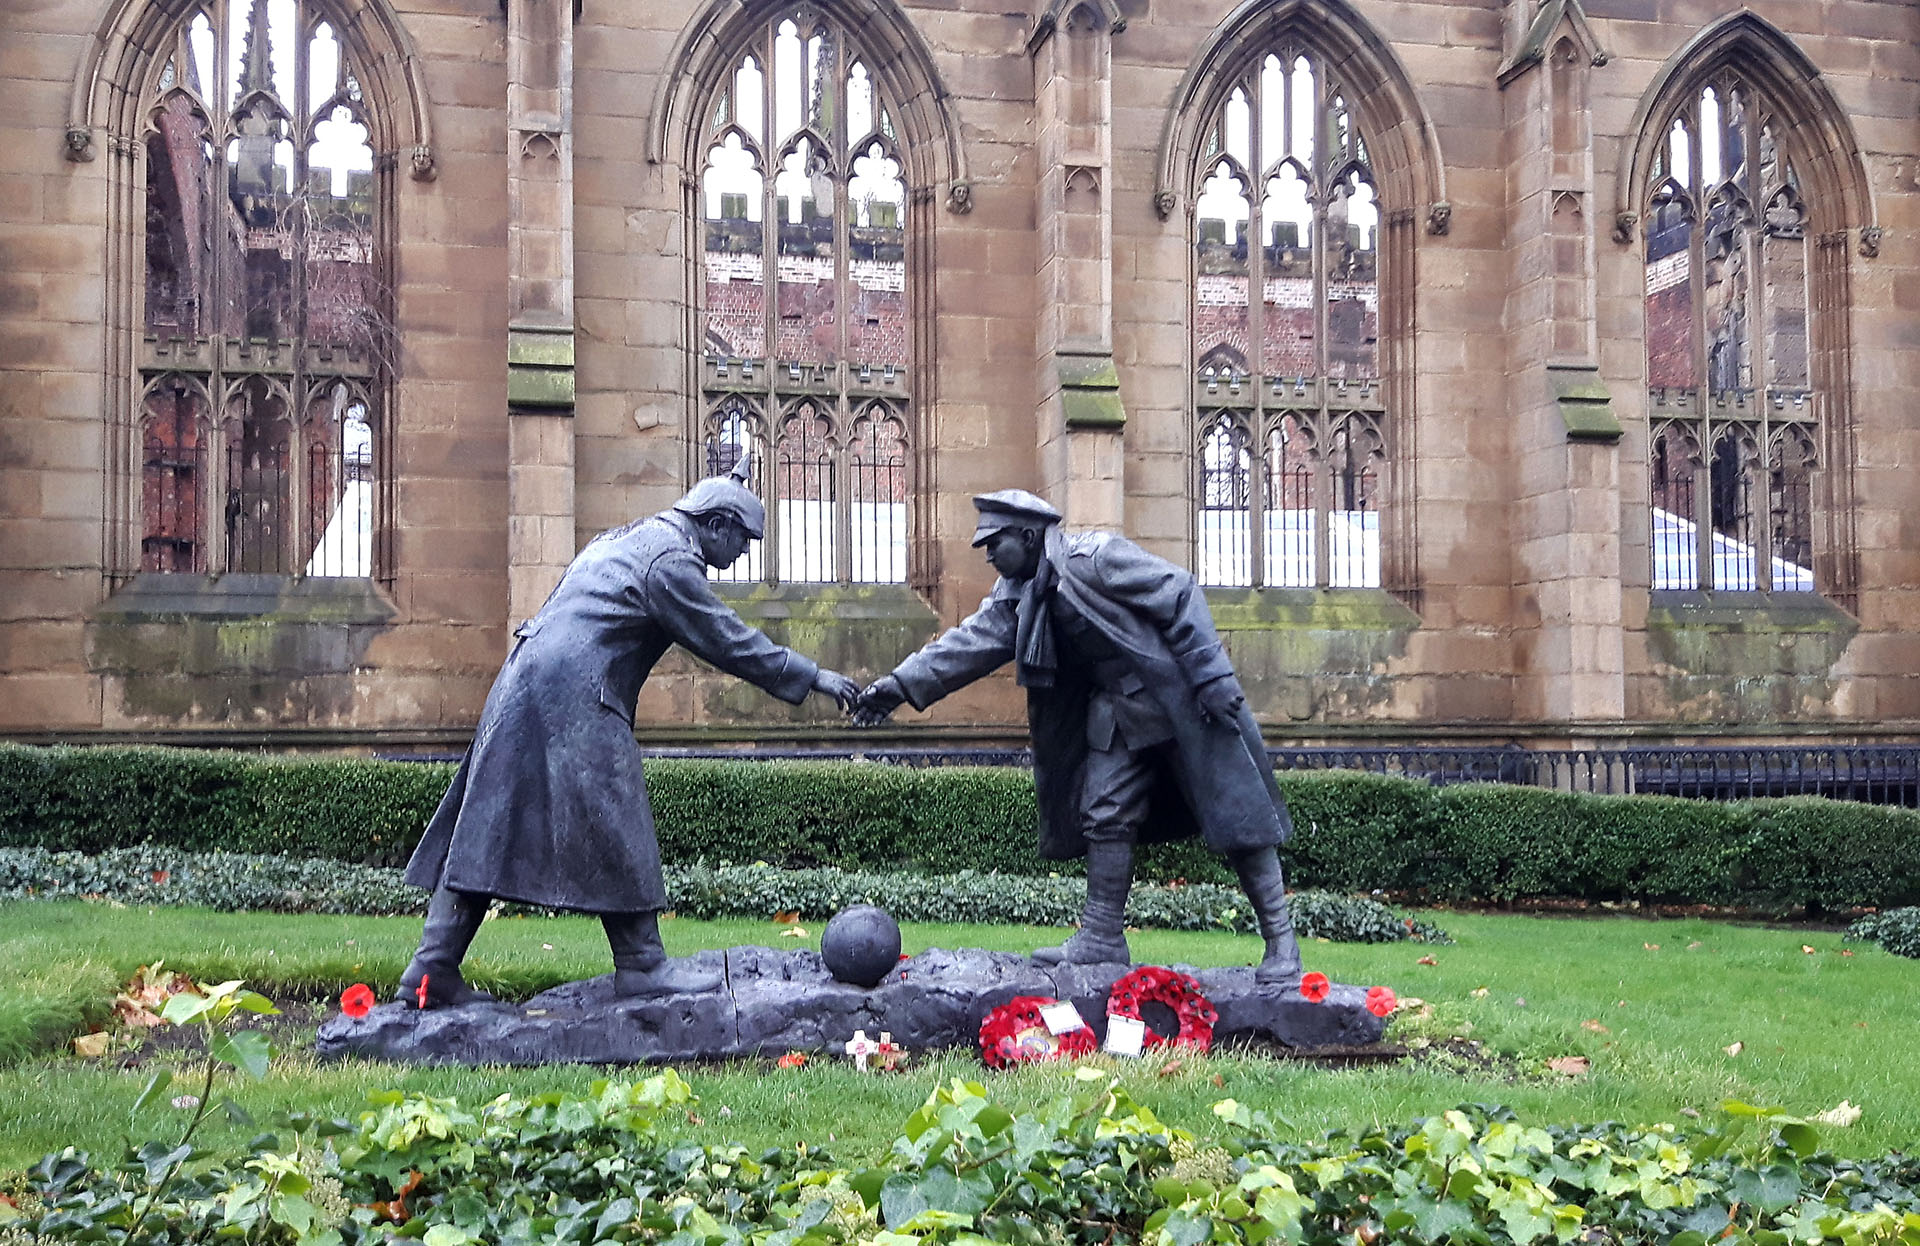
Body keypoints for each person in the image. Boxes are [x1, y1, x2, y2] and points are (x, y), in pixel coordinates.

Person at [398, 461, 859, 1005]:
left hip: (523, 684)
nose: (743, 555)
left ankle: (429, 973)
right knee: (619, 817)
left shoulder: (630, 536)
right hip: (575, 694)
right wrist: (815, 676)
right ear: (714, 524)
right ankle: (641, 964)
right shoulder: (670, 562)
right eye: (743, 539)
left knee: (488, 823)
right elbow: (726, 639)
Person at [853, 490, 1303, 985]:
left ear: (1027, 536)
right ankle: (1103, 936)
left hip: (1179, 700)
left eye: (993, 543)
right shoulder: (1018, 593)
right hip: (1115, 710)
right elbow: (967, 644)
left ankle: (1281, 942)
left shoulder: (1096, 558)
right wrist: (896, 686)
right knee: (1104, 812)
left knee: (1239, 818)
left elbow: (1179, 591)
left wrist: (1213, 677)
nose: (986, 555)